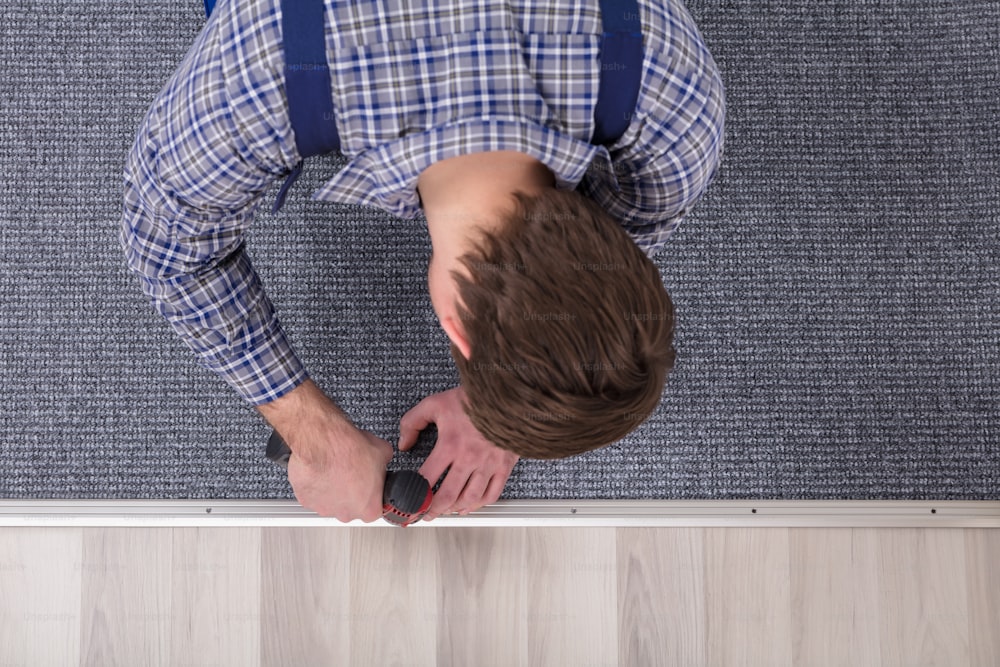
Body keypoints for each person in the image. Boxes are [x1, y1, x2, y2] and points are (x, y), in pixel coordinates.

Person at [120, 0, 725, 523]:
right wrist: (313, 433)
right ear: (456, 332)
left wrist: (521, 399)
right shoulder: (261, 81)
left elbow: (634, 225)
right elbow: (164, 246)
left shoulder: (673, 94)